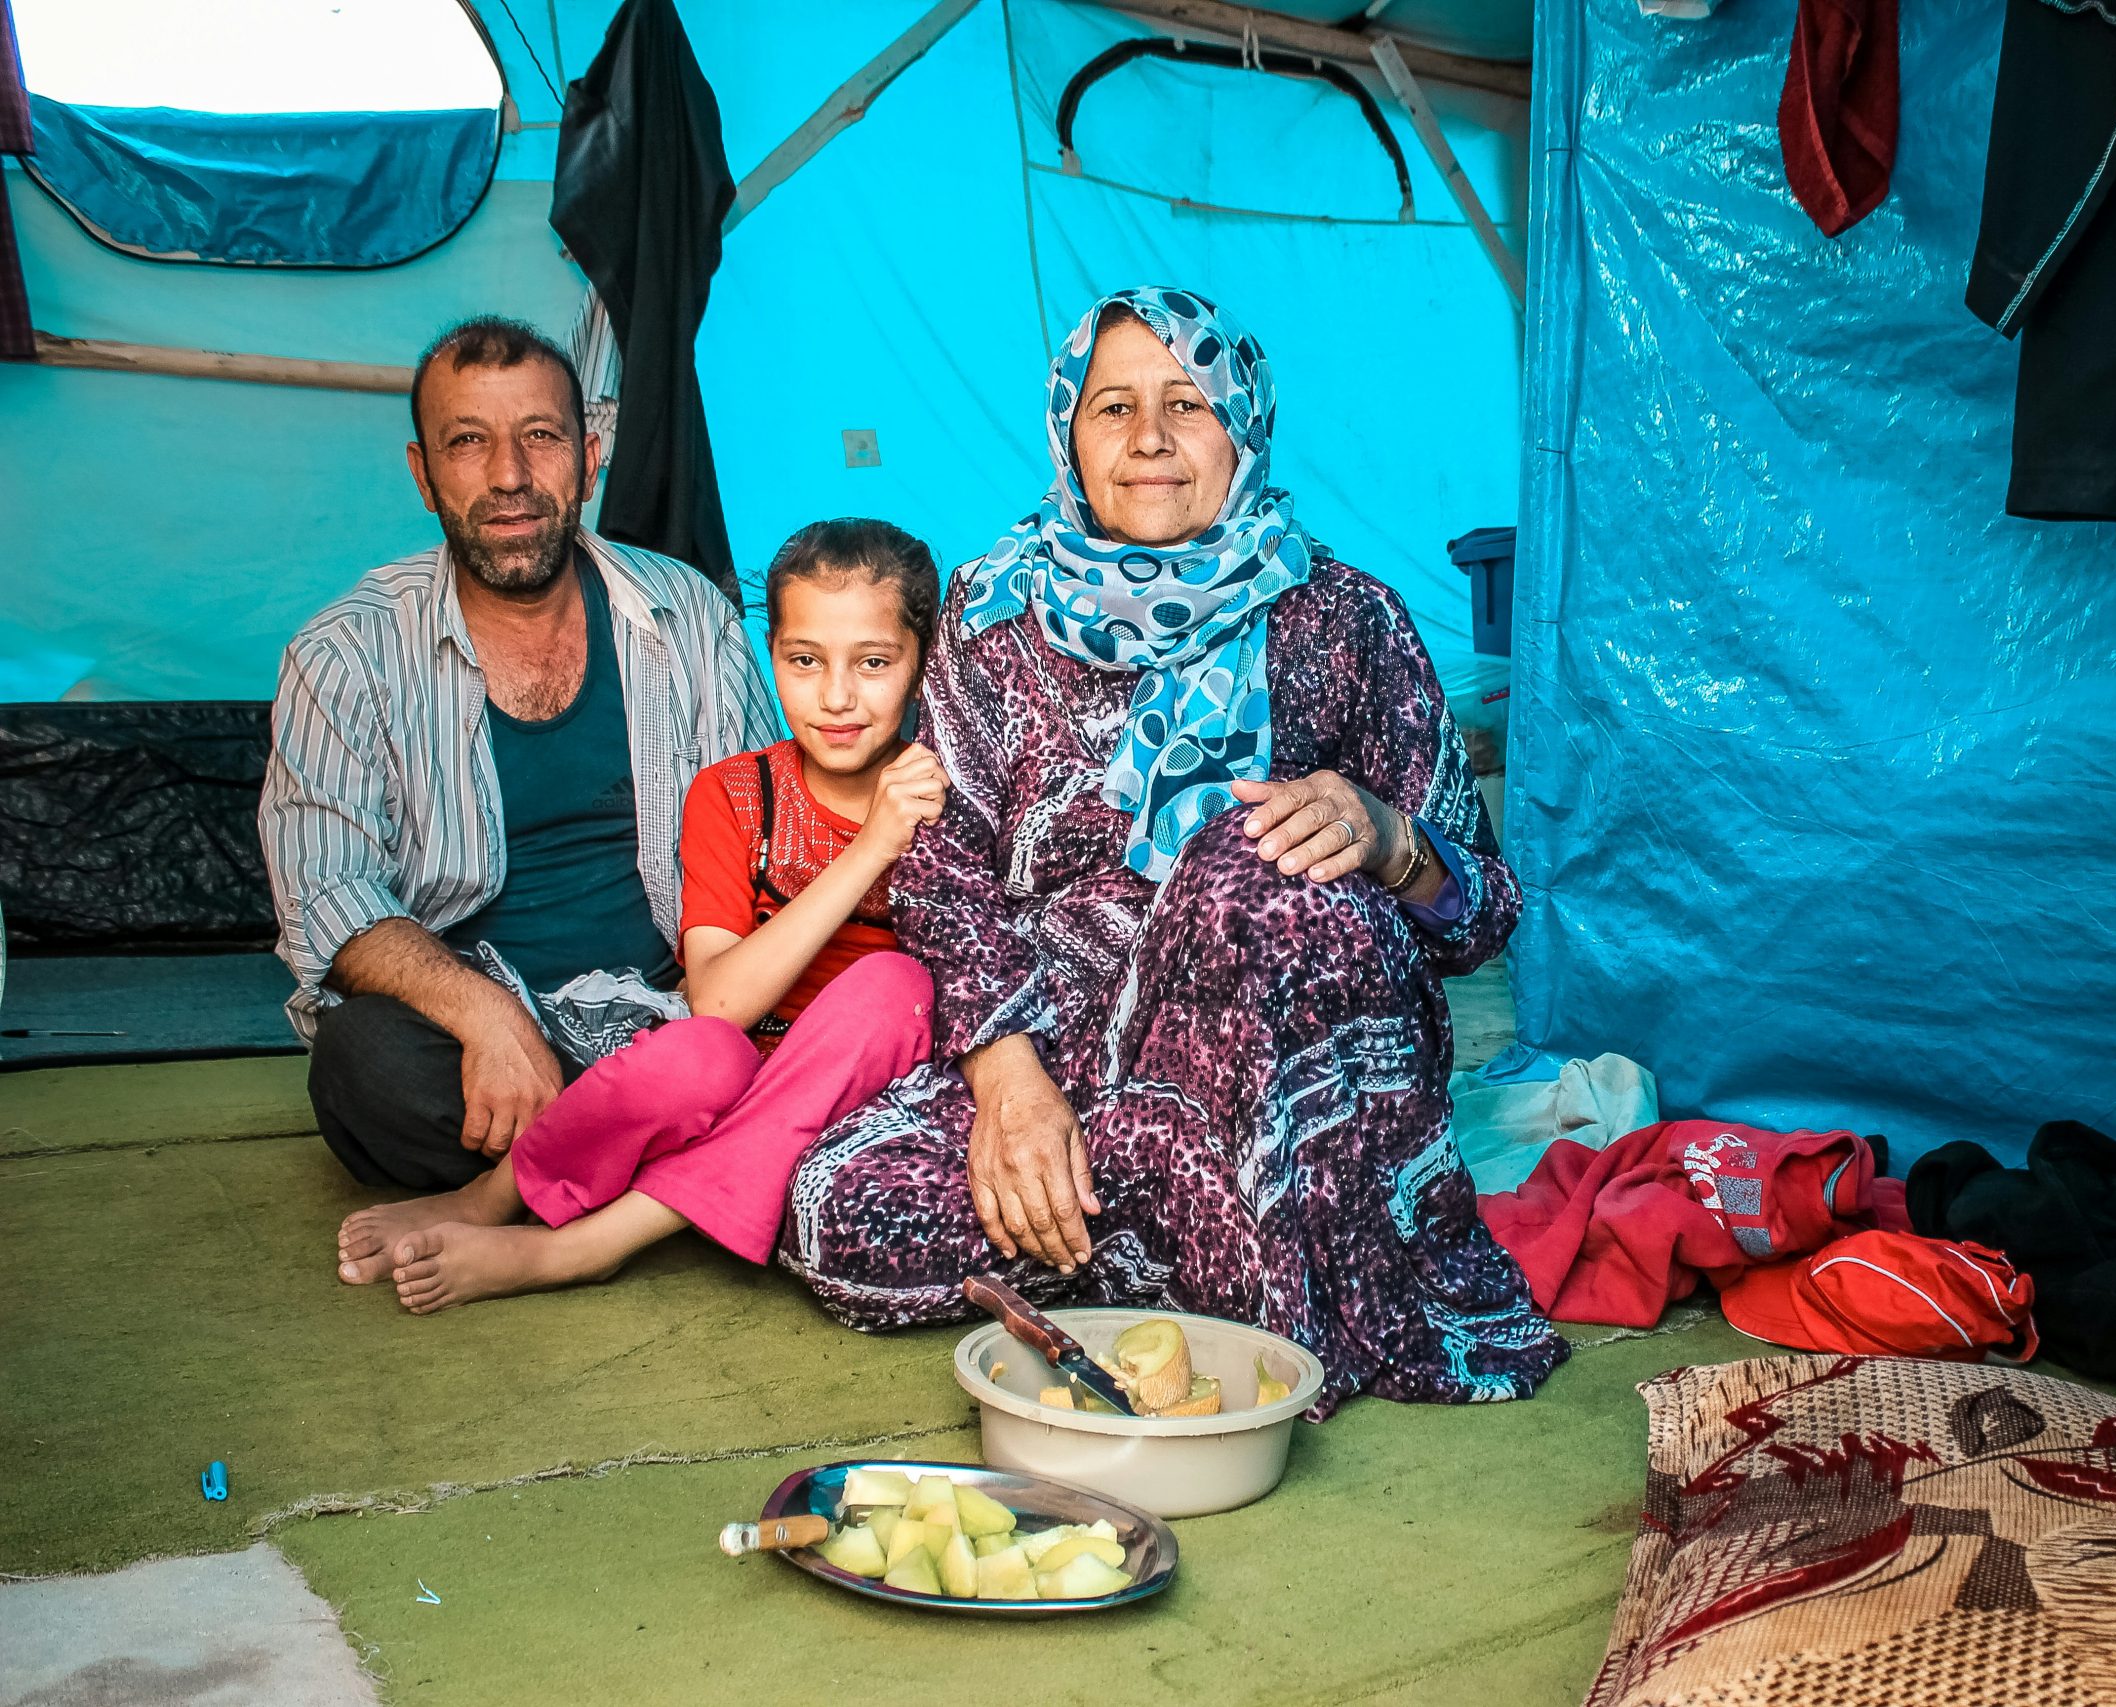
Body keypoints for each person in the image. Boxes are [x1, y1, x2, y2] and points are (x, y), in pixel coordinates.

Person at [779, 287, 1568, 1415]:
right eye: (1113, 408)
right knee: (841, 1210)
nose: (1149, 440)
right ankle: (1229, 1219)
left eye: (1187, 404)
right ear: (1069, 433)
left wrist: (1391, 841)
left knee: (1247, 871)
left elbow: (1483, 910)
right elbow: (942, 869)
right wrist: (1007, 1082)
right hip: (1070, 1048)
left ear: (1242, 424)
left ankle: (1235, 1229)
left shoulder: (1345, 620)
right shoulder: (994, 616)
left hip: (1286, 1044)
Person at [335, 521, 951, 1311]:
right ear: (772, 658)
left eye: (873, 662)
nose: (836, 696)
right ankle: (497, 1195)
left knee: (891, 983)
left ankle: (583, 1246)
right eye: (805, 660)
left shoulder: (947, 792)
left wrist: (899, 828)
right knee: (700, 1052)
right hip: (750, 1074)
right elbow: (721, 1001)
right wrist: (869, 849)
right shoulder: (733, 795)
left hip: (868, 1101)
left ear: (922, 664)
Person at [260, 316, 780, 1208]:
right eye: (469, 442)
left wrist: (722, 1010)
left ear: (590, 453)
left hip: (672, 1018)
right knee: (361, 1062)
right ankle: (687, 1156)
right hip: (476, 1044)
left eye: (540, 436)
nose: (509, 476)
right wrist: (487, 1016)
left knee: (835, 1013)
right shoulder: (343, 654)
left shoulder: (687, 614)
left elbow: (768, 830)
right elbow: (329, 896)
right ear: (425, 475)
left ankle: (563, 1170)